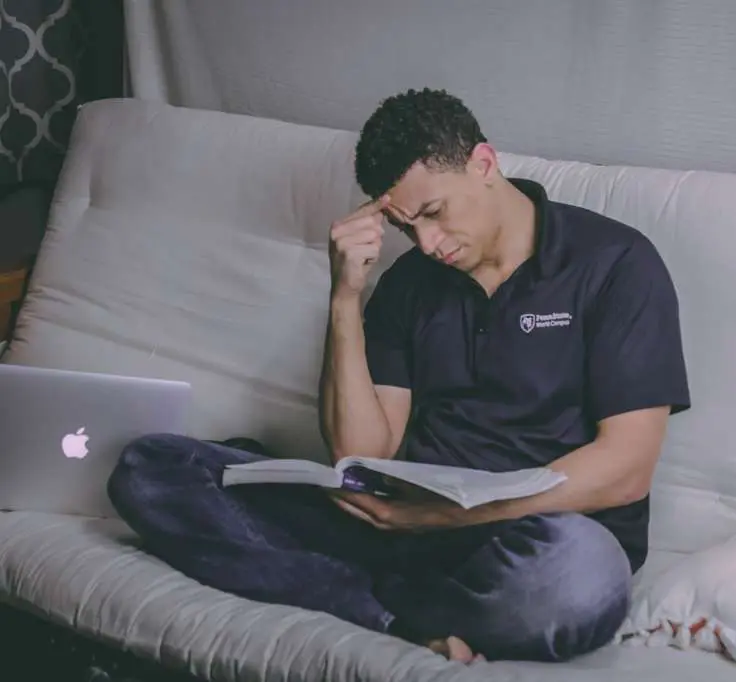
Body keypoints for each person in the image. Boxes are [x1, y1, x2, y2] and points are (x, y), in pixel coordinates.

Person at [107, 88, 690, 664]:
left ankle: (363, 597)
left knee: (578, 580)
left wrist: (443, 516)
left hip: (528, 539)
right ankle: (390, 613)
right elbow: (361, 455)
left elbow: (626, 468)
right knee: (151, 468)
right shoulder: (410, 283)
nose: (428, 244)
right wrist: (345, 296)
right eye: (406, 228)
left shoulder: (614, 263)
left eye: (433, 213)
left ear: (484, 164)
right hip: (401, 526)